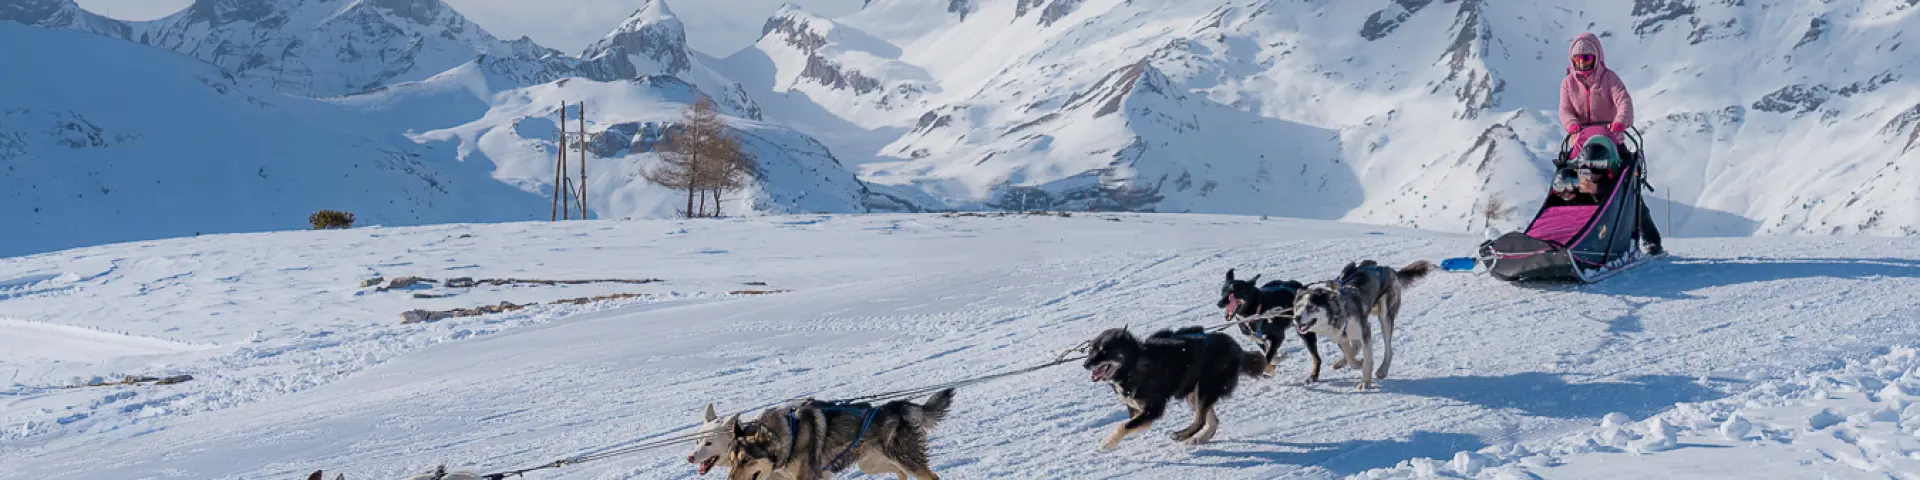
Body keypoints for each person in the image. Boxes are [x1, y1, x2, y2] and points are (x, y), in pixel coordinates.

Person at [1557, 33, 1663, 255]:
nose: (1582, 64)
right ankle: (1567, 237)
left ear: (1596, 57)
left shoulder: (1609, 78)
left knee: (1629, 192)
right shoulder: (1568, 83)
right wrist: (1572, 124)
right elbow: (1565, 109)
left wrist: (1619, 123)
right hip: (1581, 147)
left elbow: (1623, 101)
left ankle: (1651, 239)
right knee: (1571, 188)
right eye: (1578, 60)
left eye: (1587, 58)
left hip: (1611, 143)